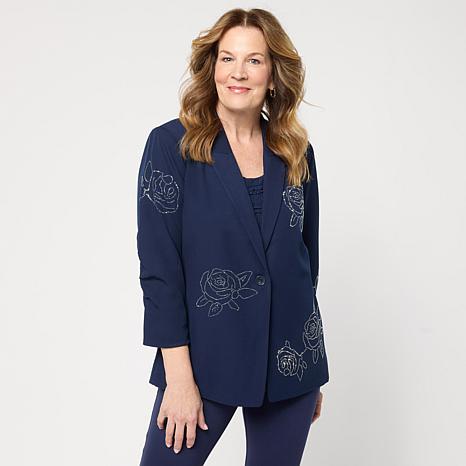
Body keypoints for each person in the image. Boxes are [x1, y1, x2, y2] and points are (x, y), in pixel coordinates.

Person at [136, 8, 330, 466]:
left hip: (290, 363)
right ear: (212, 68)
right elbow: (160, 273)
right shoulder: (171, 147)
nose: (238, 73)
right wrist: (178, 380)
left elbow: (306, 261)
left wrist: (306, 371)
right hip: (204, 363)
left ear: (273, 75)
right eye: (227, 58)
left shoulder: (295, 152)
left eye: (253, 60)